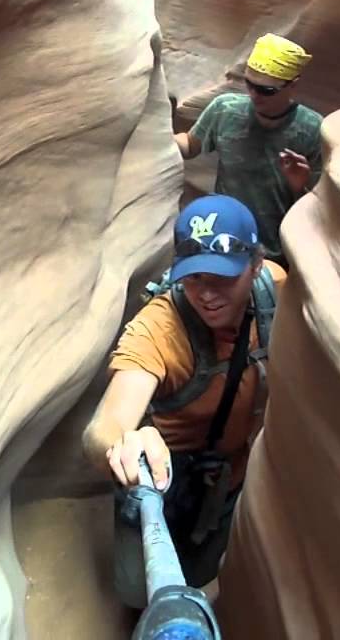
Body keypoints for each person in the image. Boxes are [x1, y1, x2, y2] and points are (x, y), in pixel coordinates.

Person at [82, 194, 288, 609]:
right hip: (158, 478)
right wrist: (126, 443)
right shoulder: (159, 329)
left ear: (256, 265)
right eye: (194, 278)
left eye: (222, 277)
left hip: (234, 473)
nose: (207, 295)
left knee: (209, 566)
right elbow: (101, 430)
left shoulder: (276, 290)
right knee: (138, 591)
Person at [174, 33, 324, 269]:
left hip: (274, 256)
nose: (254, 95)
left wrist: (298, 184)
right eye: (250, 85)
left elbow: (319, 208)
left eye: (266, 90)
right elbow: (191, 144)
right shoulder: (225, 109)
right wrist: (157, 138)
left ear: (292, 85)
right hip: (221, 240)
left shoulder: (313, 129)